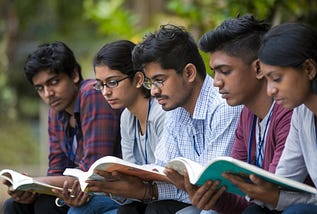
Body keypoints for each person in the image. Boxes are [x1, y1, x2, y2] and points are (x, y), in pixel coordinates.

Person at [86, 24, 242, 213]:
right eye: (151, 82)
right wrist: (139, 188)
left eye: (160, 80)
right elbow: (162, 169)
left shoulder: (222, 107)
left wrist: (147, 190)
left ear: (189, 73)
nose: (154, 90)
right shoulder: (174, 109)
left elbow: (209, 189)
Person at [181, 14, 293, 214]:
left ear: (258, 68)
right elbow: (240, 201)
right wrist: (210, 197)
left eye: (224, 71)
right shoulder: (246, 116)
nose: (216, 82)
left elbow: (276, 193)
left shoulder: (288, 113)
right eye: (214, 72)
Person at [2, 41, 122, 214]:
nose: (48, 93)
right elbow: (56, 169)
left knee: (45, 205)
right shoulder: (56, 112)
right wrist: (30, 189)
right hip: (75, 190)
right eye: (40, 88)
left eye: (54, 82)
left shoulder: (92, 94)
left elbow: (93, 173)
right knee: (13, 206)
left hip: (108, 190)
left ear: (73, 75)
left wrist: (36, 181)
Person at [222, 22, 317, 214]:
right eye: (267, 80)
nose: (270, 90)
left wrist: (274, 197)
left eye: (276, 78)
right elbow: (284, 180)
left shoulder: (290, 113)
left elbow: (283, 196)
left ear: (309, 69)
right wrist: (258, 191)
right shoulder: (301, 114)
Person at [67, 39, 167, 212]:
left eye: (112, 82)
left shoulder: (161, 113)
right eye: (100, 84)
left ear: (137, 79)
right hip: (139, 197)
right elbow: (130, 170)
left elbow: (166, 174)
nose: (105, 92)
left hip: (166, 196)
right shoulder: (127, 117)